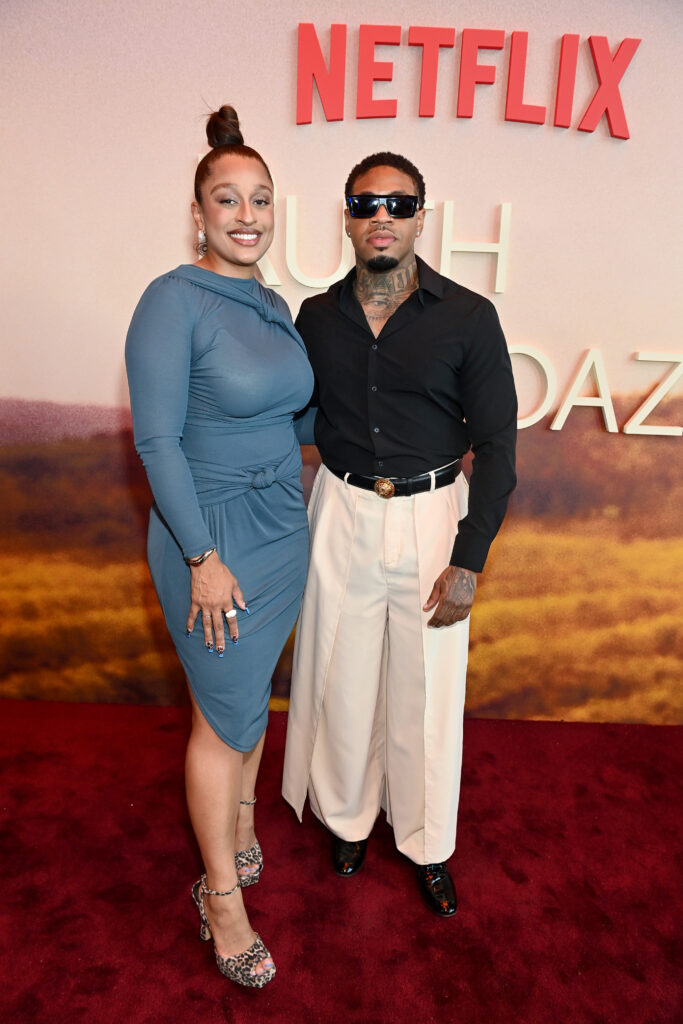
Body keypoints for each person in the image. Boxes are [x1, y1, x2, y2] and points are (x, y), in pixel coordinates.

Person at [282, 152, 517, 916]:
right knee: (341, 679)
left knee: (426, 692)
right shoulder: (315, 318)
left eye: (397, 203)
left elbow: (498, 447)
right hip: (341, 509)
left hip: (432, 515)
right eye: (365, 203)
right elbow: (289, 416)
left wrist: (469, 557)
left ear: (421, 215)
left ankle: (423, 842)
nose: (380, 216)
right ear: (347, 217)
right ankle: (347, 821)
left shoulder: (468, 317)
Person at [125, 105, 313, 986]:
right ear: (198, 214)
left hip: (280, 530)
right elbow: (156, 442)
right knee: (220, 713)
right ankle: (221, 901)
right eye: (228, 199)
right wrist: (201, 559)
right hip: (212, 540)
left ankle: (240, 824)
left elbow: (292, 415)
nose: (247, 215)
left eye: (260, 199)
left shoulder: (272, 303)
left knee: (249, 697)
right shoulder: (172, 299)